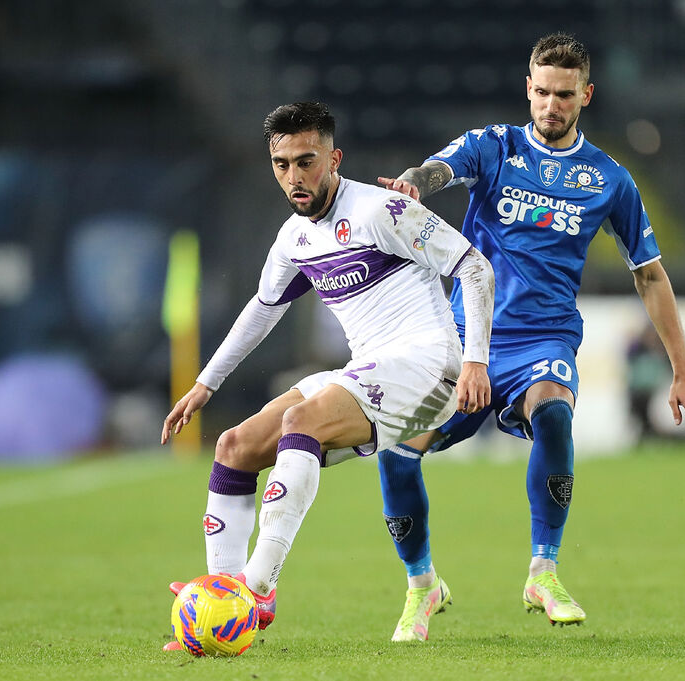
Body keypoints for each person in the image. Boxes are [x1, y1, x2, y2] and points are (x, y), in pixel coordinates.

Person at [375, 33, 685, 641]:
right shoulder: (494, 147)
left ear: (585, 95)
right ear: (527, 88)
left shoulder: (608, 179)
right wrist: (412, 186)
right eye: (540, 92)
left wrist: (683, 371)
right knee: (398, 450)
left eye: (563, 95)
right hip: (466, 340)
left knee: (554, 414)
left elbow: (651, 275)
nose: (550, 105)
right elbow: (435, 170)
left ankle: (544, 569)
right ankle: (421, 583)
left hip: (545, 340)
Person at [159, 101, 495, 648]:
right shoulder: (295, 238)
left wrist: (476, 360)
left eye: (306, 161)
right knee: (234, 446)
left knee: (303, 419)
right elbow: (262, 310)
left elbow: (474, 267)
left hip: (432, 366)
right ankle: (219, 604)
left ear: (334, 159)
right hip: (368, 369)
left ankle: (256, 589)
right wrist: (206, 384)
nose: (294, 176)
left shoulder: (382, 210)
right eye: (282, 164)